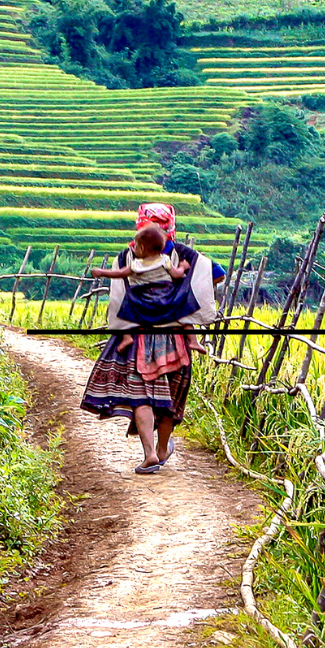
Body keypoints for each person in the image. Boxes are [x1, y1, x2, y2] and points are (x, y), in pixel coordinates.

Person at [80, 202, 221, 475]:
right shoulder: (186, 255)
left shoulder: (128, 257)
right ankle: (163, 447)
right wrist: (180, 294)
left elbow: (119, 293)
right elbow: (215, 276)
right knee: (171, 396)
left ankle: (149, 454)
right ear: (171, 229)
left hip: (140, 337)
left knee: (141, 395)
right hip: (176, 338)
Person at [90, 224, 202, 356]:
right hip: (166, 296)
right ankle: (193, 340)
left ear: (142, 248)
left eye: (135, 246)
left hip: (143, 298)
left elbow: (119, 274)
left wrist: (102, 272)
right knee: (184, 312)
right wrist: (183, 267)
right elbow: (177, 274)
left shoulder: (136, 264)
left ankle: (127, 337)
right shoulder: (165, 260)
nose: (134, 248)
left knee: (124, 307)